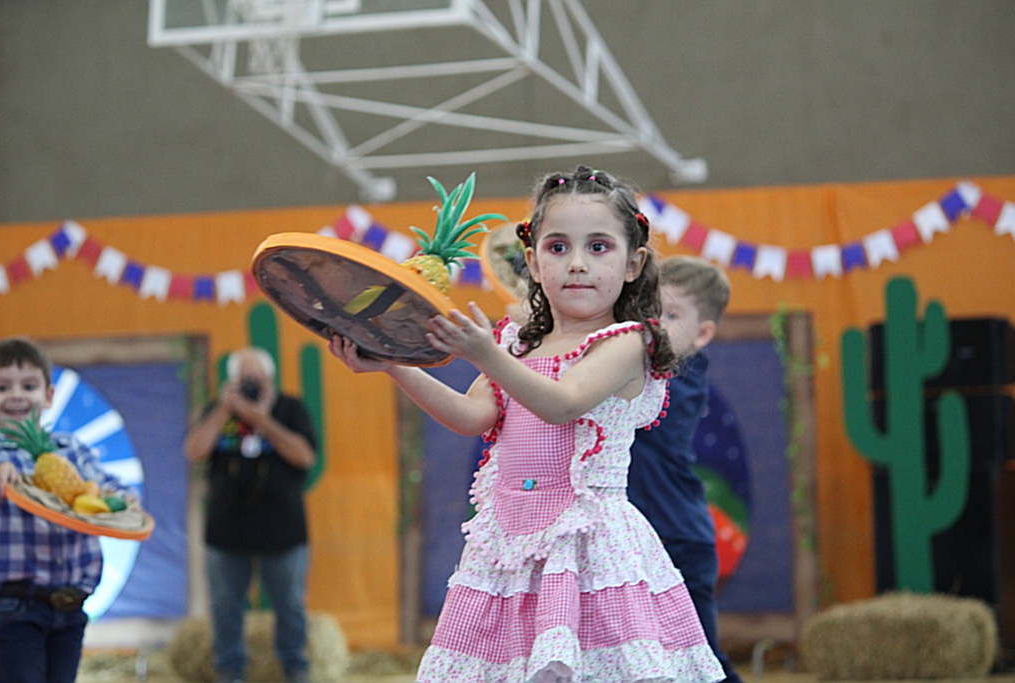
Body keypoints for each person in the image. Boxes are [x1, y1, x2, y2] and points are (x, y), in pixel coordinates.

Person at [329, 166, 725, 682]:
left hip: (585, 552)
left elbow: (563, 403)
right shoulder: (518, 343)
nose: (577, 264)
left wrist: (485, 354)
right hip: (507, 549)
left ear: (634, 263)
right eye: (558, 248)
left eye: (599, 247)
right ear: (533, 263)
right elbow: (473, 417)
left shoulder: (628, 342)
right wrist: (393, 366)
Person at [0, 337, 138, 683]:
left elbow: (108, 489)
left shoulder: (71, 449)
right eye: (0, 387)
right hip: (15, 605)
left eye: (29, 385)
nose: (16, 395)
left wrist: (123, 500)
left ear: (49, 396)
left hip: (71, 603)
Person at [627, 255, 742, 683]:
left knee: (699, 660)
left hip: (678, 539)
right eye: (647, 310)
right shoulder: (631, 364)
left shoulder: (684, 377)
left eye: (670, 314)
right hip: (633, 541)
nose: (652, 323)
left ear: (702, 334)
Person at [183, 347, 316, 683]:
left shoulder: (290, 408)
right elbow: (195, 452)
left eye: (257, 379)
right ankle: (229, 672)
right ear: (231, 382)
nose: (252, 385)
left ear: (271, 380)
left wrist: (261, 419)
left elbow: (304, 456)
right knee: (225, 608)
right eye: (244, 380)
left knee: (290, 607)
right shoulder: (219, 410)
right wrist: (225, 409)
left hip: (283, 533)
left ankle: (294, 669)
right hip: (226, 533)